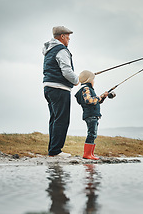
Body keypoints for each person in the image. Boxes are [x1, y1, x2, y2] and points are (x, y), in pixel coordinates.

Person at [42, 26, 79, 157]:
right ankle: (56, 151)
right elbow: (67, 71)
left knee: (54, 119)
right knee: (62, 120)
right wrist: (76, 80)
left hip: (48, 88)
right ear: (62, 36)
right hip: (59, 88)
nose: (69, 39)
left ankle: (52, 150)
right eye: (68, 36)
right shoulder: (62, 50)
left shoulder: (49, 50)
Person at [75, 70, 109, 160]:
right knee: (91, 134)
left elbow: (95, 102)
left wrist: (103, 97)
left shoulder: (86, 89)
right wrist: (98, 97)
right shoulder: (86, 88)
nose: (94, 82)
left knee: (93, 134)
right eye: (93, 80)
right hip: (90, 115)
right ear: (89, 80)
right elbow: (89, 101)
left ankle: (91, 154)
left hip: (92, 115)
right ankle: (87, 154)